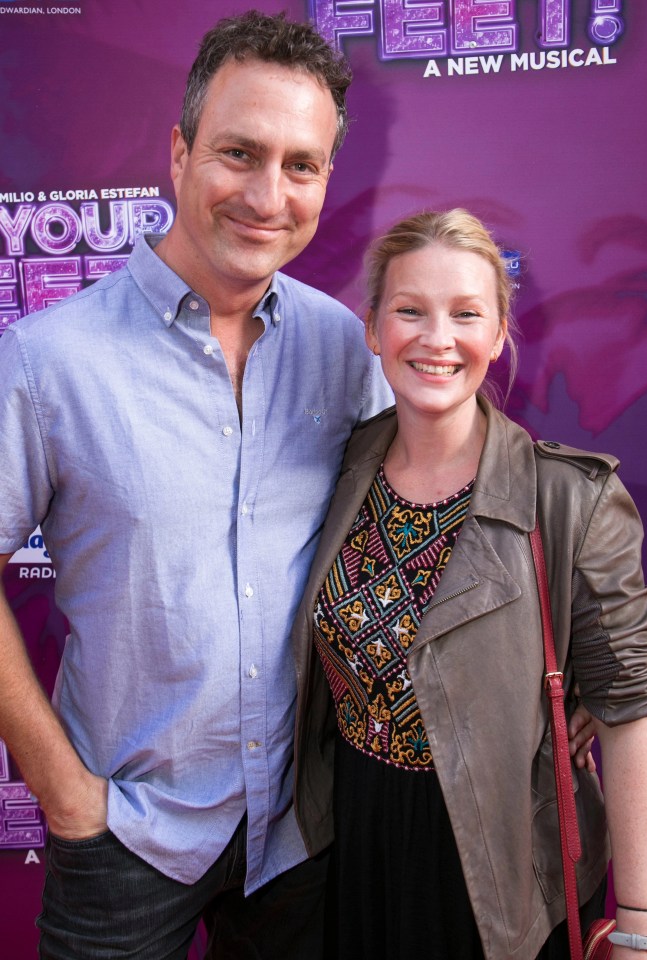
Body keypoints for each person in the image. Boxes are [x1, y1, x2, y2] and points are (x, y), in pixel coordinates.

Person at [0, 11, 394, 960]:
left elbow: (410, 535)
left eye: (301, 164)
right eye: (238, 153)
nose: (268, 194)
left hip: (305, 838)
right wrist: (65, 793)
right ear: (177, 154)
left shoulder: (345, 348)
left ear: (326, 180)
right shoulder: (47, 360)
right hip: (125, 837)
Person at [291, 209, 647, 960]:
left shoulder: (566, 499)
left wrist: (642, 924)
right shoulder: (340, 467)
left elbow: (628, 714)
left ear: (498, 334)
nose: (436, 338)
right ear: (372, 329)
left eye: (465, 313)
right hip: (354, 842)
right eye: (409, 310)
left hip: (499, 870)